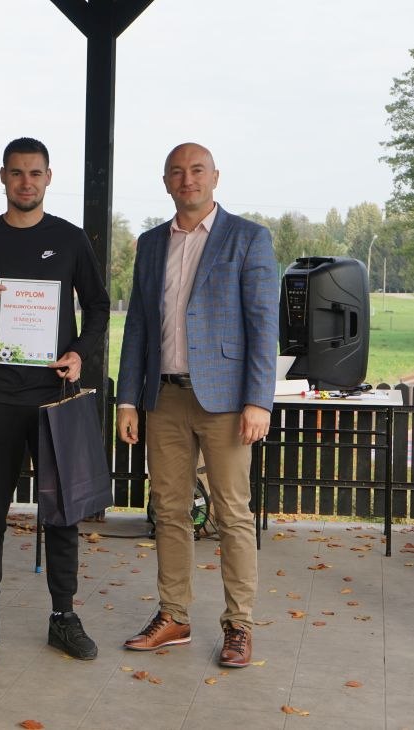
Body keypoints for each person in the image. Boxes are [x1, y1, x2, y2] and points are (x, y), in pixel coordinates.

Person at [0, 137, 110, 662]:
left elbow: (98, 307)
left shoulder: (69, 239)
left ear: (48, 177)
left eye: (35, 173)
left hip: (53, 396)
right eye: (17, 173)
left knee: (61, 513)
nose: (26, 182)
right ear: (3, 177)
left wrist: (79, 353)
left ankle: (64, 617)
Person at [116, 143, 278, 669]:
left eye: (197, 170)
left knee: (231, 513)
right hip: (162, 397)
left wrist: (258, 400)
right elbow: (138, 326)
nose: (188, 179)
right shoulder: (150, 244)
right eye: (177, 172)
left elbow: (263, 324)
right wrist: (127, 399)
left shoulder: (248, 238)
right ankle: (174, 616)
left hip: (227, 401)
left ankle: (239, 625)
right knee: (169, 511)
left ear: (215, 177)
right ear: (166, 181)